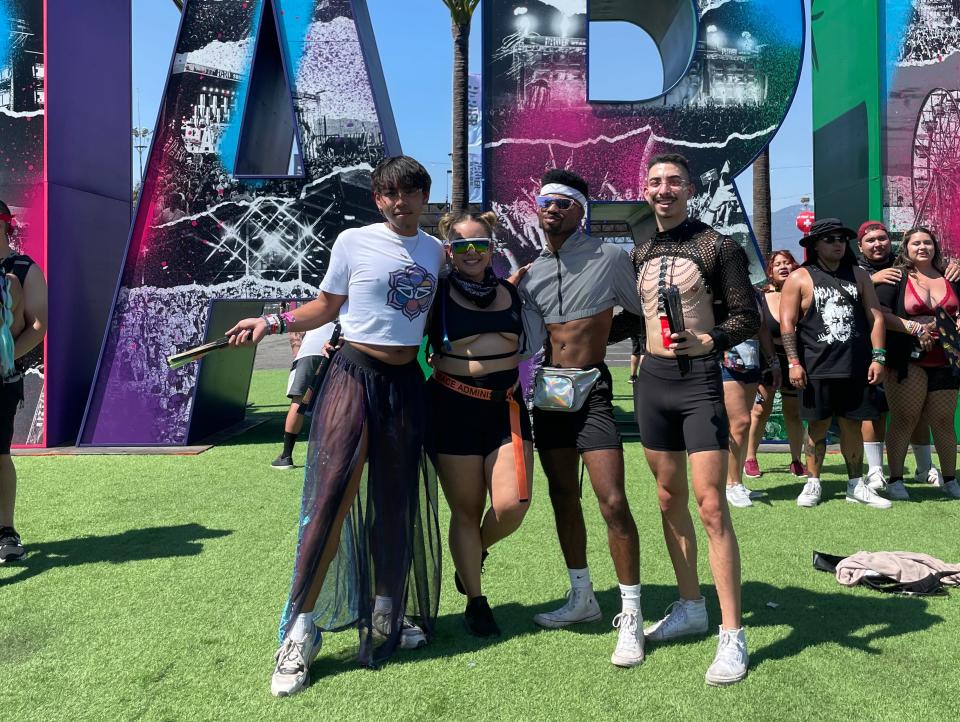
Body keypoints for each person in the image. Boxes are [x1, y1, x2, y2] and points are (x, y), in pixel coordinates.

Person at [226, 157, 443, 696]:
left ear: (425, 197)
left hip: (405, 385)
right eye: (391, 193)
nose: (402, 202)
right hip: (353, 376)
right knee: (330, 501)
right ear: (378, 199)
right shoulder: (353, 241)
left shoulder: (436, 252)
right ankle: (300, 632)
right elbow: (326, 307)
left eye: (412, 192)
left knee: (396, 503)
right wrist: (272, 321)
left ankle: (385, 611)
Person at [625, 153, 758, 685]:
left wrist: (711, 339)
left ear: (690, 188)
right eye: (655, 181)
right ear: (647, 190)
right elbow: (636, 320)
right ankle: (689, 605)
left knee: (710, 505)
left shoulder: (718, 245)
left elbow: (746, 314)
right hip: (652, 384)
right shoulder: (639, 251)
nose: (664, 189)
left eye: (673, 181)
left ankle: (733, 635)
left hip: (700, 381)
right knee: (666, 497)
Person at [518, 168, 647, 668]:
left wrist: (606, 338)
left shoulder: (611, 258)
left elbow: (642, 309)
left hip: (592, 389)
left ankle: (630, 614)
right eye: (545, 201)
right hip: (549, 391)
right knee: (561, 495)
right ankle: (582, 596)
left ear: (581, 210)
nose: (552, 209)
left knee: (612, 501)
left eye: (563, 203)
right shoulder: (527, 272)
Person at [426, 211, 533, 637]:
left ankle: (476, 550)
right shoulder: (434, 292)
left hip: (505, 408)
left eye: (481, 244)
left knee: (514, 505)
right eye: (462, 245)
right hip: (453, 408)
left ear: (492, 247)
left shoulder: (512, 291)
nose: (472, 252)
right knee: (466, 510)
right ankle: (475, 598)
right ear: (449, 251)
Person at [780, 218, 888, 509]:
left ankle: (855, 484)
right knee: (817, 426)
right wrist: (793, 362)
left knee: (853, 425)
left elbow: (875, 317)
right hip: (817, 365)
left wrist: (878, 357)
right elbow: (787, 323)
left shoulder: (859, 274)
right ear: (815, 245)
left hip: (856, 364)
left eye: (842, 238)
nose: (838, 243)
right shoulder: (799, 277)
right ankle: (813, 482)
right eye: (830, 239)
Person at [856, 221, 958, 491]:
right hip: (906, 359)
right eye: (916, 243)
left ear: (935, 247)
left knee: (943, 421)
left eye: (927, 242)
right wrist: (914, 327)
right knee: (905, 419)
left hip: (946, 359)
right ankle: (896, 480)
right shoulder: (896, 276)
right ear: (906, 248)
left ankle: (949, 480)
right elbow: (880, 313)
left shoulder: (950, 275)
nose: (922, 247)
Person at [0, 200, 47, 564]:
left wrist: (5, 357)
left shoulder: (22, 269)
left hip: (3, 379)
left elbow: (38, 325)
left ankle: (6, 532)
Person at [743, 251, 806, 482]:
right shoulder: (761, 296)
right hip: (767, 361)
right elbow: (759, 330)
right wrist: (771, 363)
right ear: (770, 272)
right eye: (777, 264)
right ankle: (750, 458)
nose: (783, 267)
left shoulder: (803, 293)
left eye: (787, 263)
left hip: (796, 361)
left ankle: (796, 460)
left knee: (793, 411)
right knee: (760, 410)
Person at [271, 321, 337, 470]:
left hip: (311, 350)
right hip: (339, 347)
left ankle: (286, 456)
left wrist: (297, 353)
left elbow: (294, 334)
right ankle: (331, 454)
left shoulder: (314, 304)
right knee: (334, 400)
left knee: (299, 399)